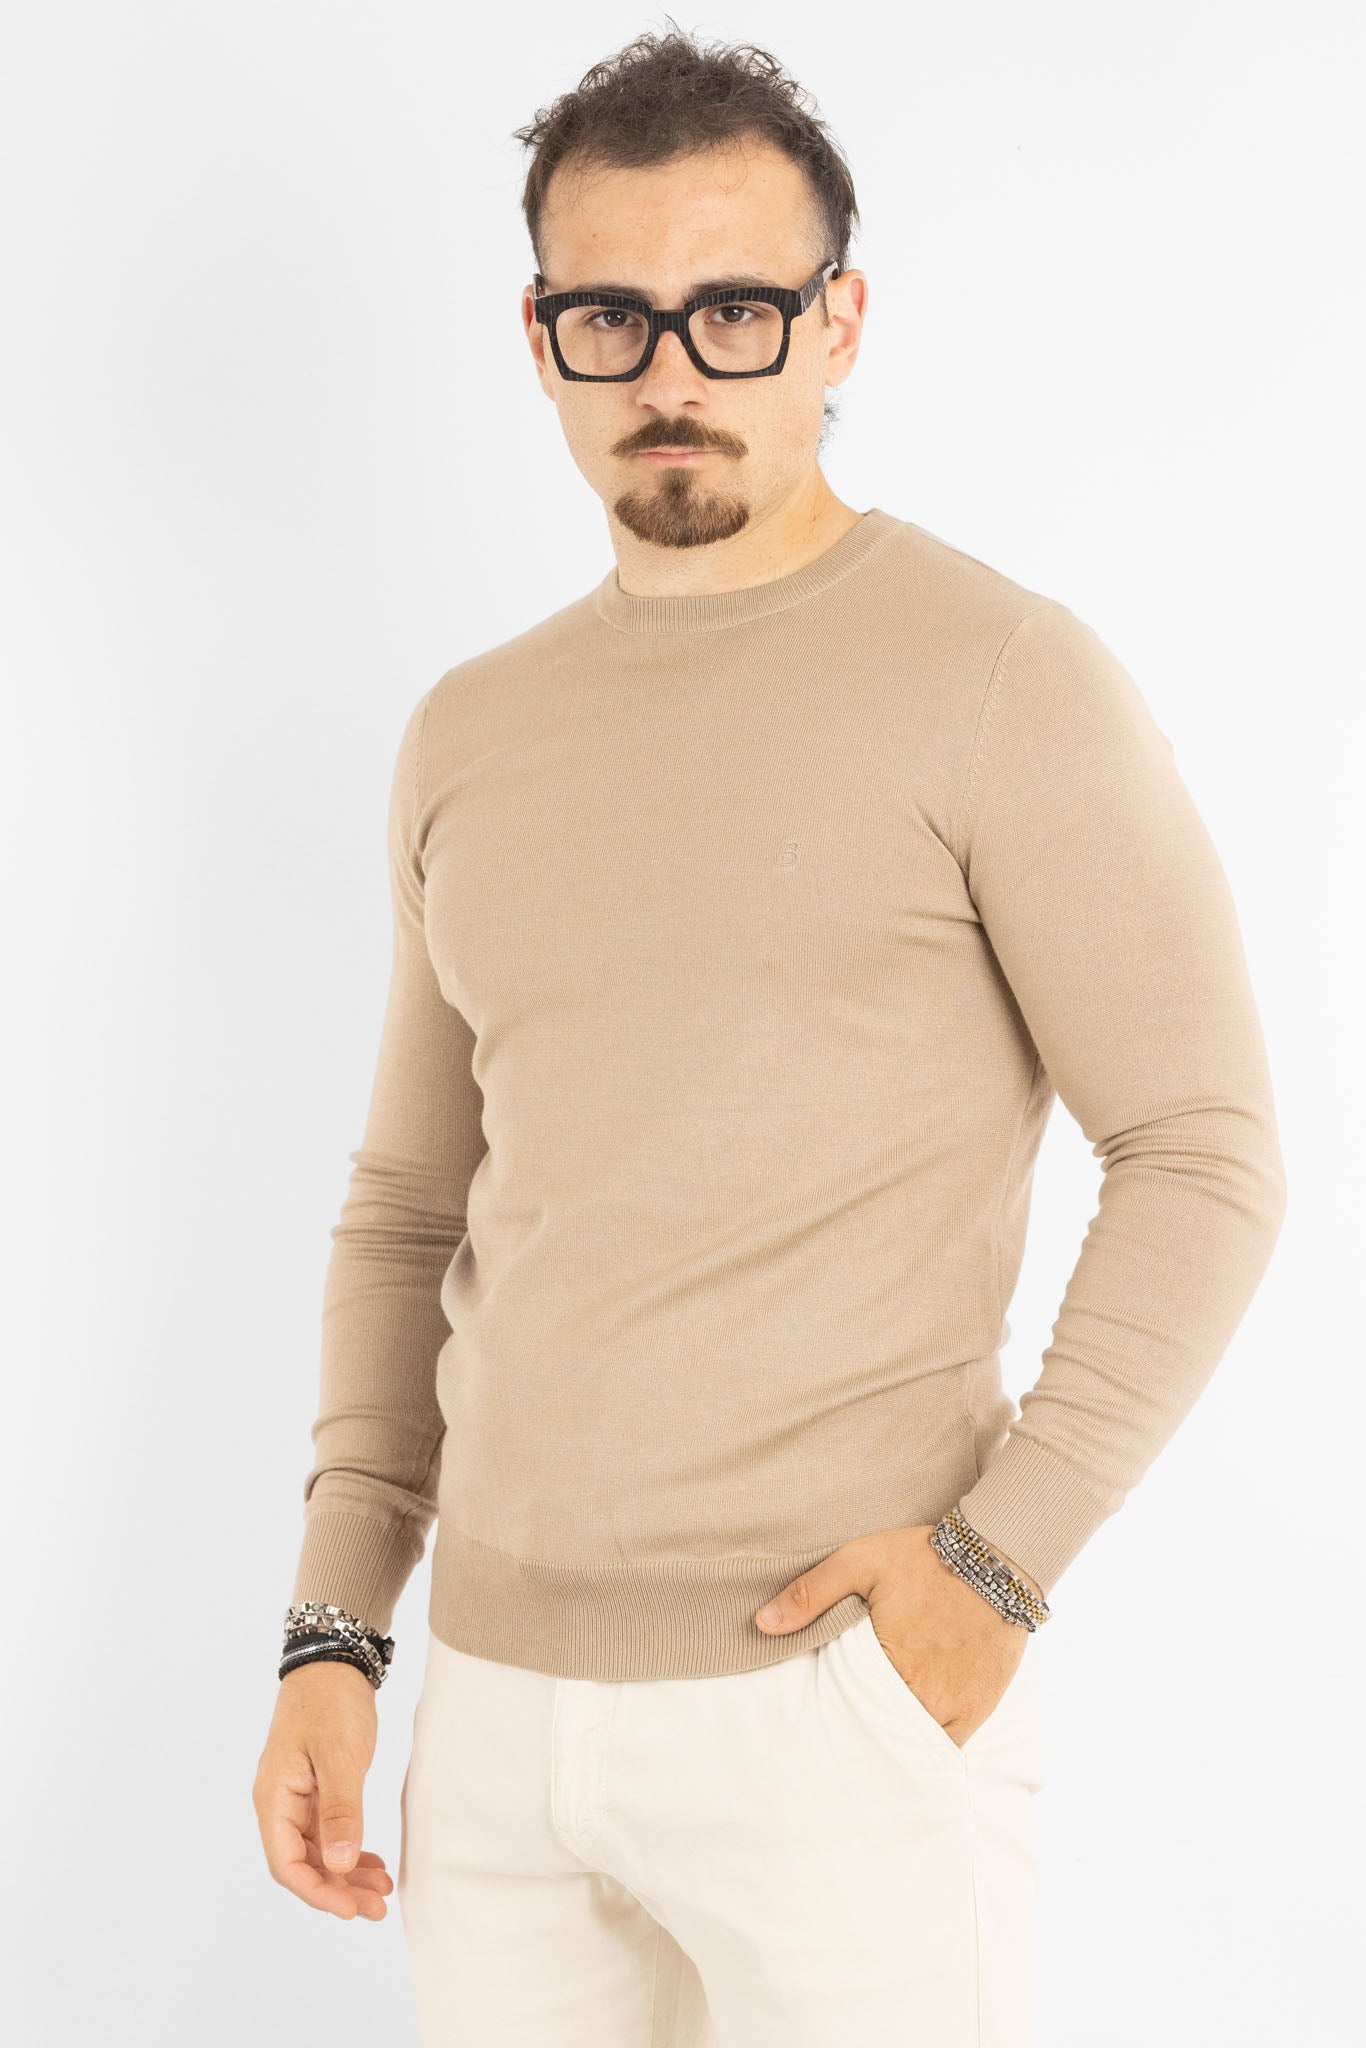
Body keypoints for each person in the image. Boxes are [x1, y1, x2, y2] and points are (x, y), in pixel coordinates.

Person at [253, 25, 1287, 2046]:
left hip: (839, 1704)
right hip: (497, 1718)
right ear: (539, 338)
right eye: (611, 317)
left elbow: (1201, 1150)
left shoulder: (998, 678)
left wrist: (995, 1574)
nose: (672, 376)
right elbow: (407, 1211)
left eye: (732, 311)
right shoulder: (470, 731)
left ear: (838, 323)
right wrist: (335, 1629)